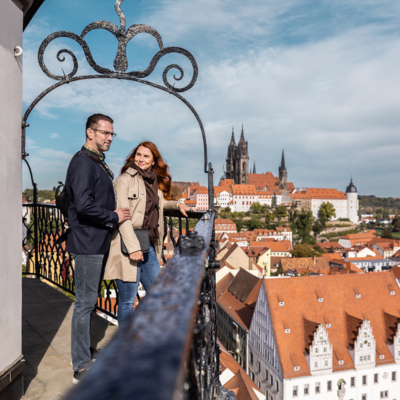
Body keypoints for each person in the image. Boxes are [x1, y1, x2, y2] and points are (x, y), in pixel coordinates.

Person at [65, 113, 131, 384]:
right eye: (105, 133)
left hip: (94, 241)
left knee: (87, 302)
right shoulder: (82, 163)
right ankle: (81, 365)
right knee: (85, 303)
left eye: (112, 134)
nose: (110, 138)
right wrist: (114, 216)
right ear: (90, 133)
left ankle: (84, 354)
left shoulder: (94, 162)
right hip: (88, 241)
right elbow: (83, 205)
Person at [104, 141, 192, 328]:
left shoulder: (154, 181)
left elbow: (159, 205)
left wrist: (177, 205)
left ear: (153, 161)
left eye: (146, 156)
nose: (141, 159)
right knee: (127, 300)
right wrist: (133, 248)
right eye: (138, 155)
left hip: (148, 243)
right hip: (128, 244)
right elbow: (123, 216)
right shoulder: (124, 180)